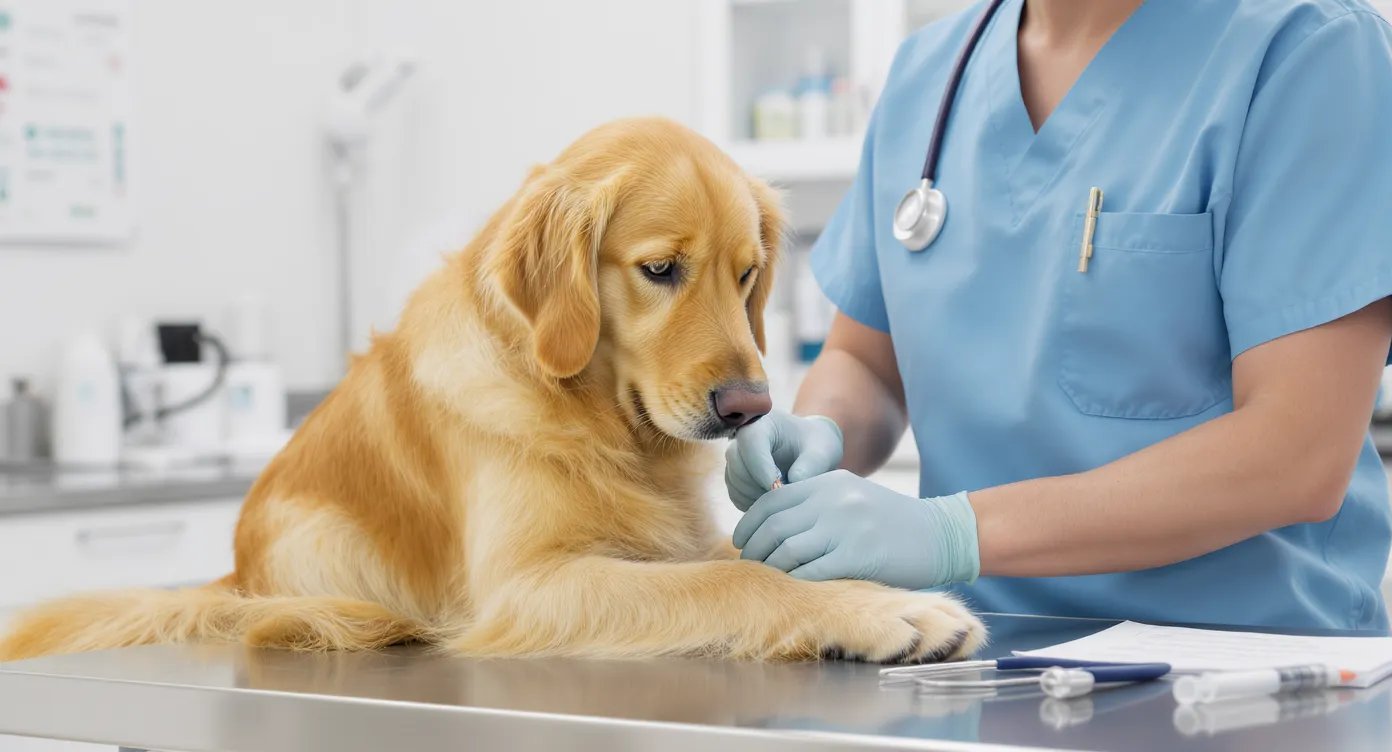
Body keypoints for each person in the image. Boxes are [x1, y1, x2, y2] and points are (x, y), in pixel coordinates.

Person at [725, 0, 1392, 631]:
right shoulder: (927, 77)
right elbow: (864, 360)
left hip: (1242, 674)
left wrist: (955, 534)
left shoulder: (1307, 49)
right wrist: (821, 432)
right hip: (972, 656)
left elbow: (1298, 453)